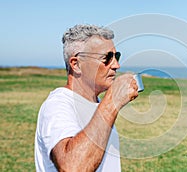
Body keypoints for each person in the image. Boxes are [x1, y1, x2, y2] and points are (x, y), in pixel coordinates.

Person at [35, 24, 139, 171]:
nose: (116, 65)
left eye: (117, 56)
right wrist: (112, 102)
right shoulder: (57, 104)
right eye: (107, 58)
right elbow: (73, 167)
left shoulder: (98, 105)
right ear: (76, 64)